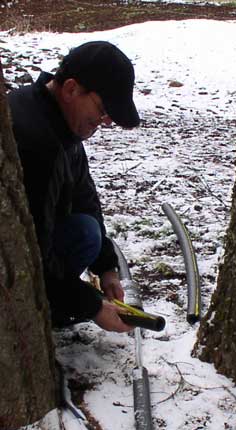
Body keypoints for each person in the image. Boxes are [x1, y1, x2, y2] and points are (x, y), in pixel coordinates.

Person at [8, 40, 140, 332]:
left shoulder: (59, 121)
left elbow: (85, 198)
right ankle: (48, 306)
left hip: (46, 236)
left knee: (87, 230)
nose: (104, 122)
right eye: (103, 109)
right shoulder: (36, 144)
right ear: (70, 89)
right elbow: (30, 257)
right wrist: (90, 305)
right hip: (20, 264)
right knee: (82, 234)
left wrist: (107, 268)